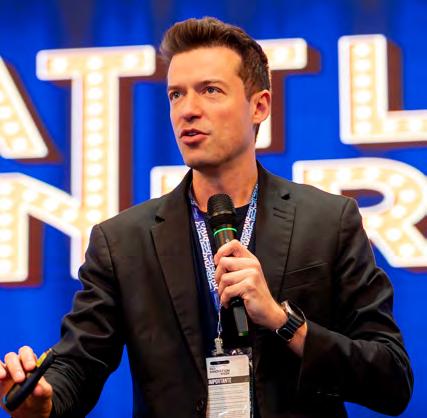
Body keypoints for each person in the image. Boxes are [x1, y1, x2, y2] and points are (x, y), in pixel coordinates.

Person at [0, 17, 413, 418]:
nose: (188, 110)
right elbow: (78, 364)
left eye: (210, 90)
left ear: (259, 106)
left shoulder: (328, 221)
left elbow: (391, 378)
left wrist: (282, 320)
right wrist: (42, 401)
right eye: (176, 95)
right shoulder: (123, 241)